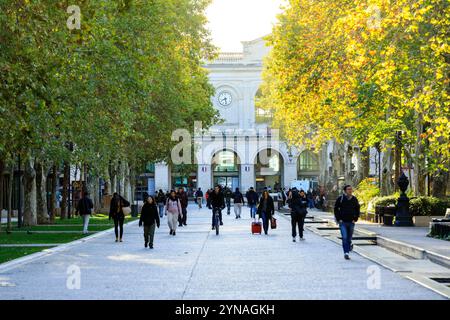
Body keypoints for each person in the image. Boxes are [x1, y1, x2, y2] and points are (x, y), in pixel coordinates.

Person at [334, 185, 360, 260]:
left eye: (351, 189)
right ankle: (346, 252)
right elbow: (336, 209)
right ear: (345, 190)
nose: (350, 190)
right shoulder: (340, 199)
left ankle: (348, 248)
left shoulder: (354, 199)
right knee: (344, 237)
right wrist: (339, 219)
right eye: (348, 189)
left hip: (351, 222)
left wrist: (355, 219)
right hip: (343, 222)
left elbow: (357, 209)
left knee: (349, 238)